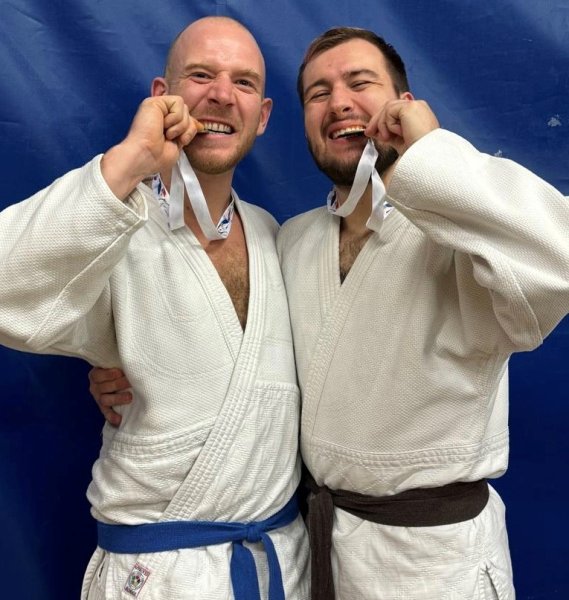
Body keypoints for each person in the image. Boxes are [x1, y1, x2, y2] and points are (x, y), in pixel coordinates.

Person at [90, 26, 569, 600]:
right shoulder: (291, 240)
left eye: (359, 83)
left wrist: (433, 153)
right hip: (318, 553)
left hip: (436, 564)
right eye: (319, 93)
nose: (339, 102)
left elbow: (558, 259)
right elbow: (247, 358)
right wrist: (128, 366)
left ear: (405, 105)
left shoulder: (463, 237)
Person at [0, 16, 308, 600]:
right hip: (161, 572)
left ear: (264, 115)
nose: (222, 94)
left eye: (243, 82)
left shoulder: (275, 236)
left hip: (280, 564)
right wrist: (132, 158)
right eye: (201, 75)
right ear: (162, 95)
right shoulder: (111, 224)